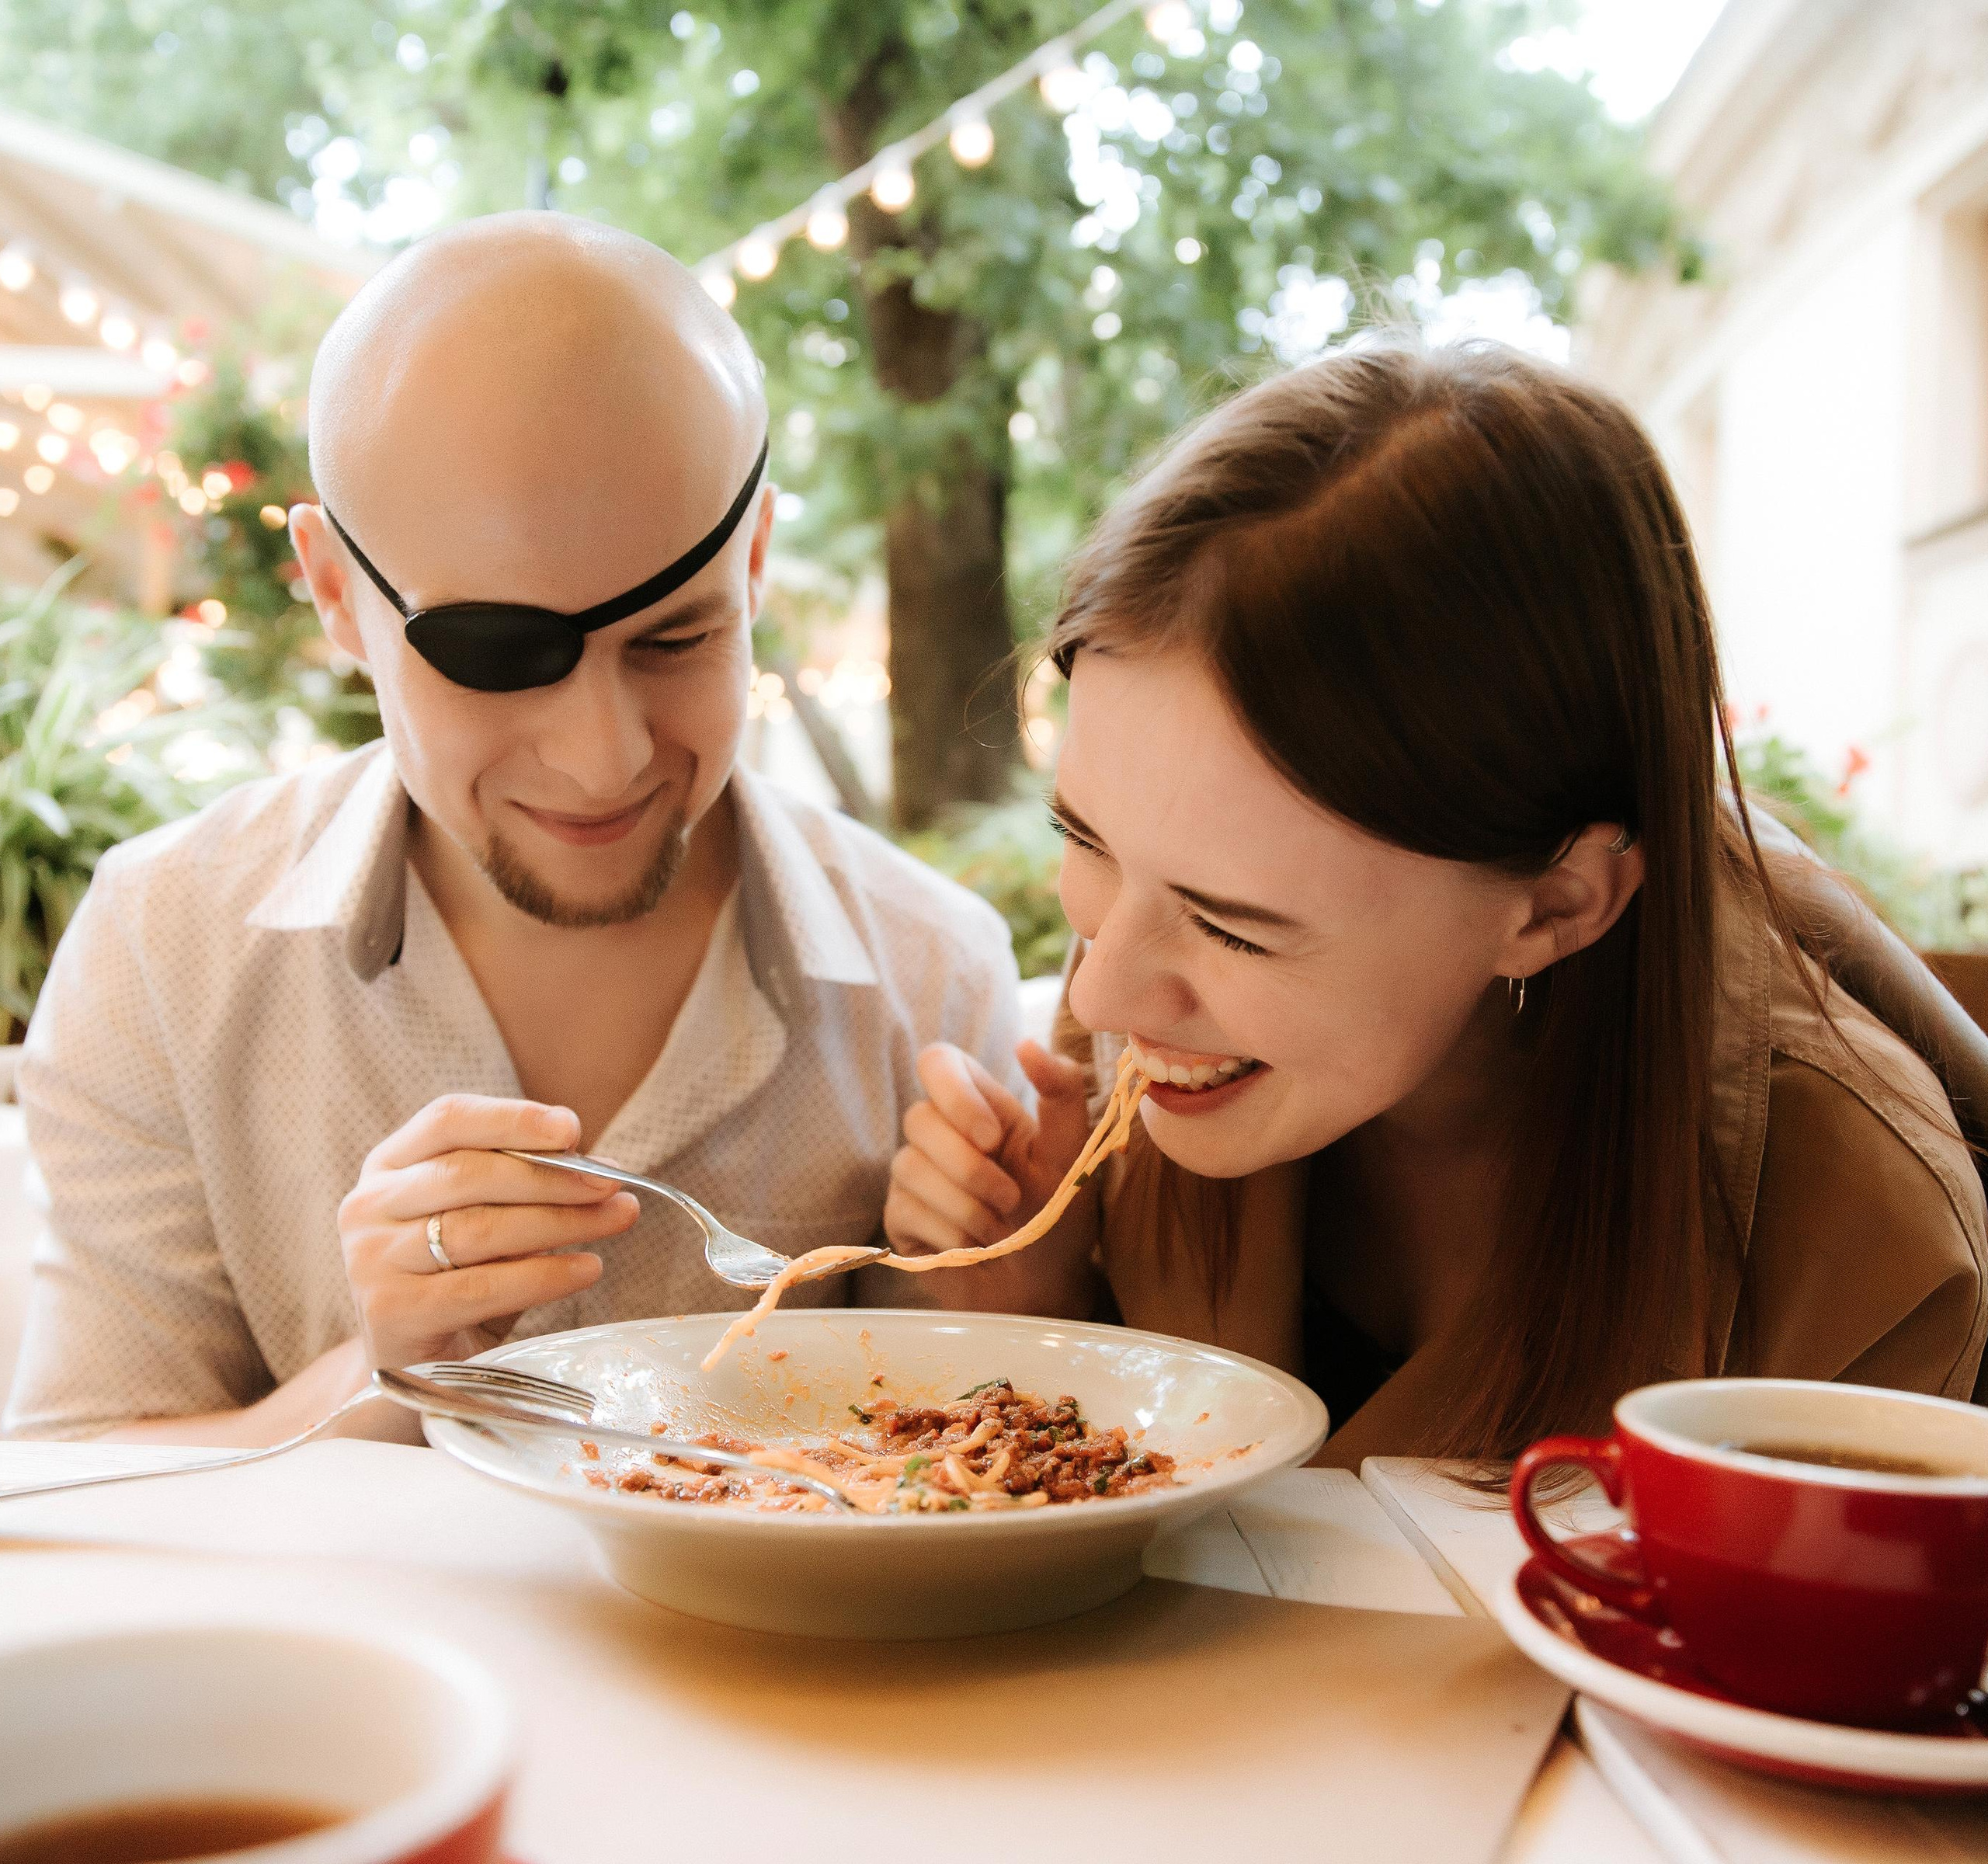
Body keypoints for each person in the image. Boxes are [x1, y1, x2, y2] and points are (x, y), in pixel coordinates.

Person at [3, 212, 1020, 1444]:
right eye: (496, 657)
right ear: (334, 592)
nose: (606, 757)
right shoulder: (166, 950)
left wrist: (1002, 1296)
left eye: (677, 638)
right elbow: (72, 1497)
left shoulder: (933, 978)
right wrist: (379, 1380)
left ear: (753, 562)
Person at [883, 340, 1988, 1467]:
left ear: (1556, 907)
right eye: (1086, 840)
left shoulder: (1856, 1254)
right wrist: (1042, 1310)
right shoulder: (1139, 1053)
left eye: (1233, 925)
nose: (1103, 984)